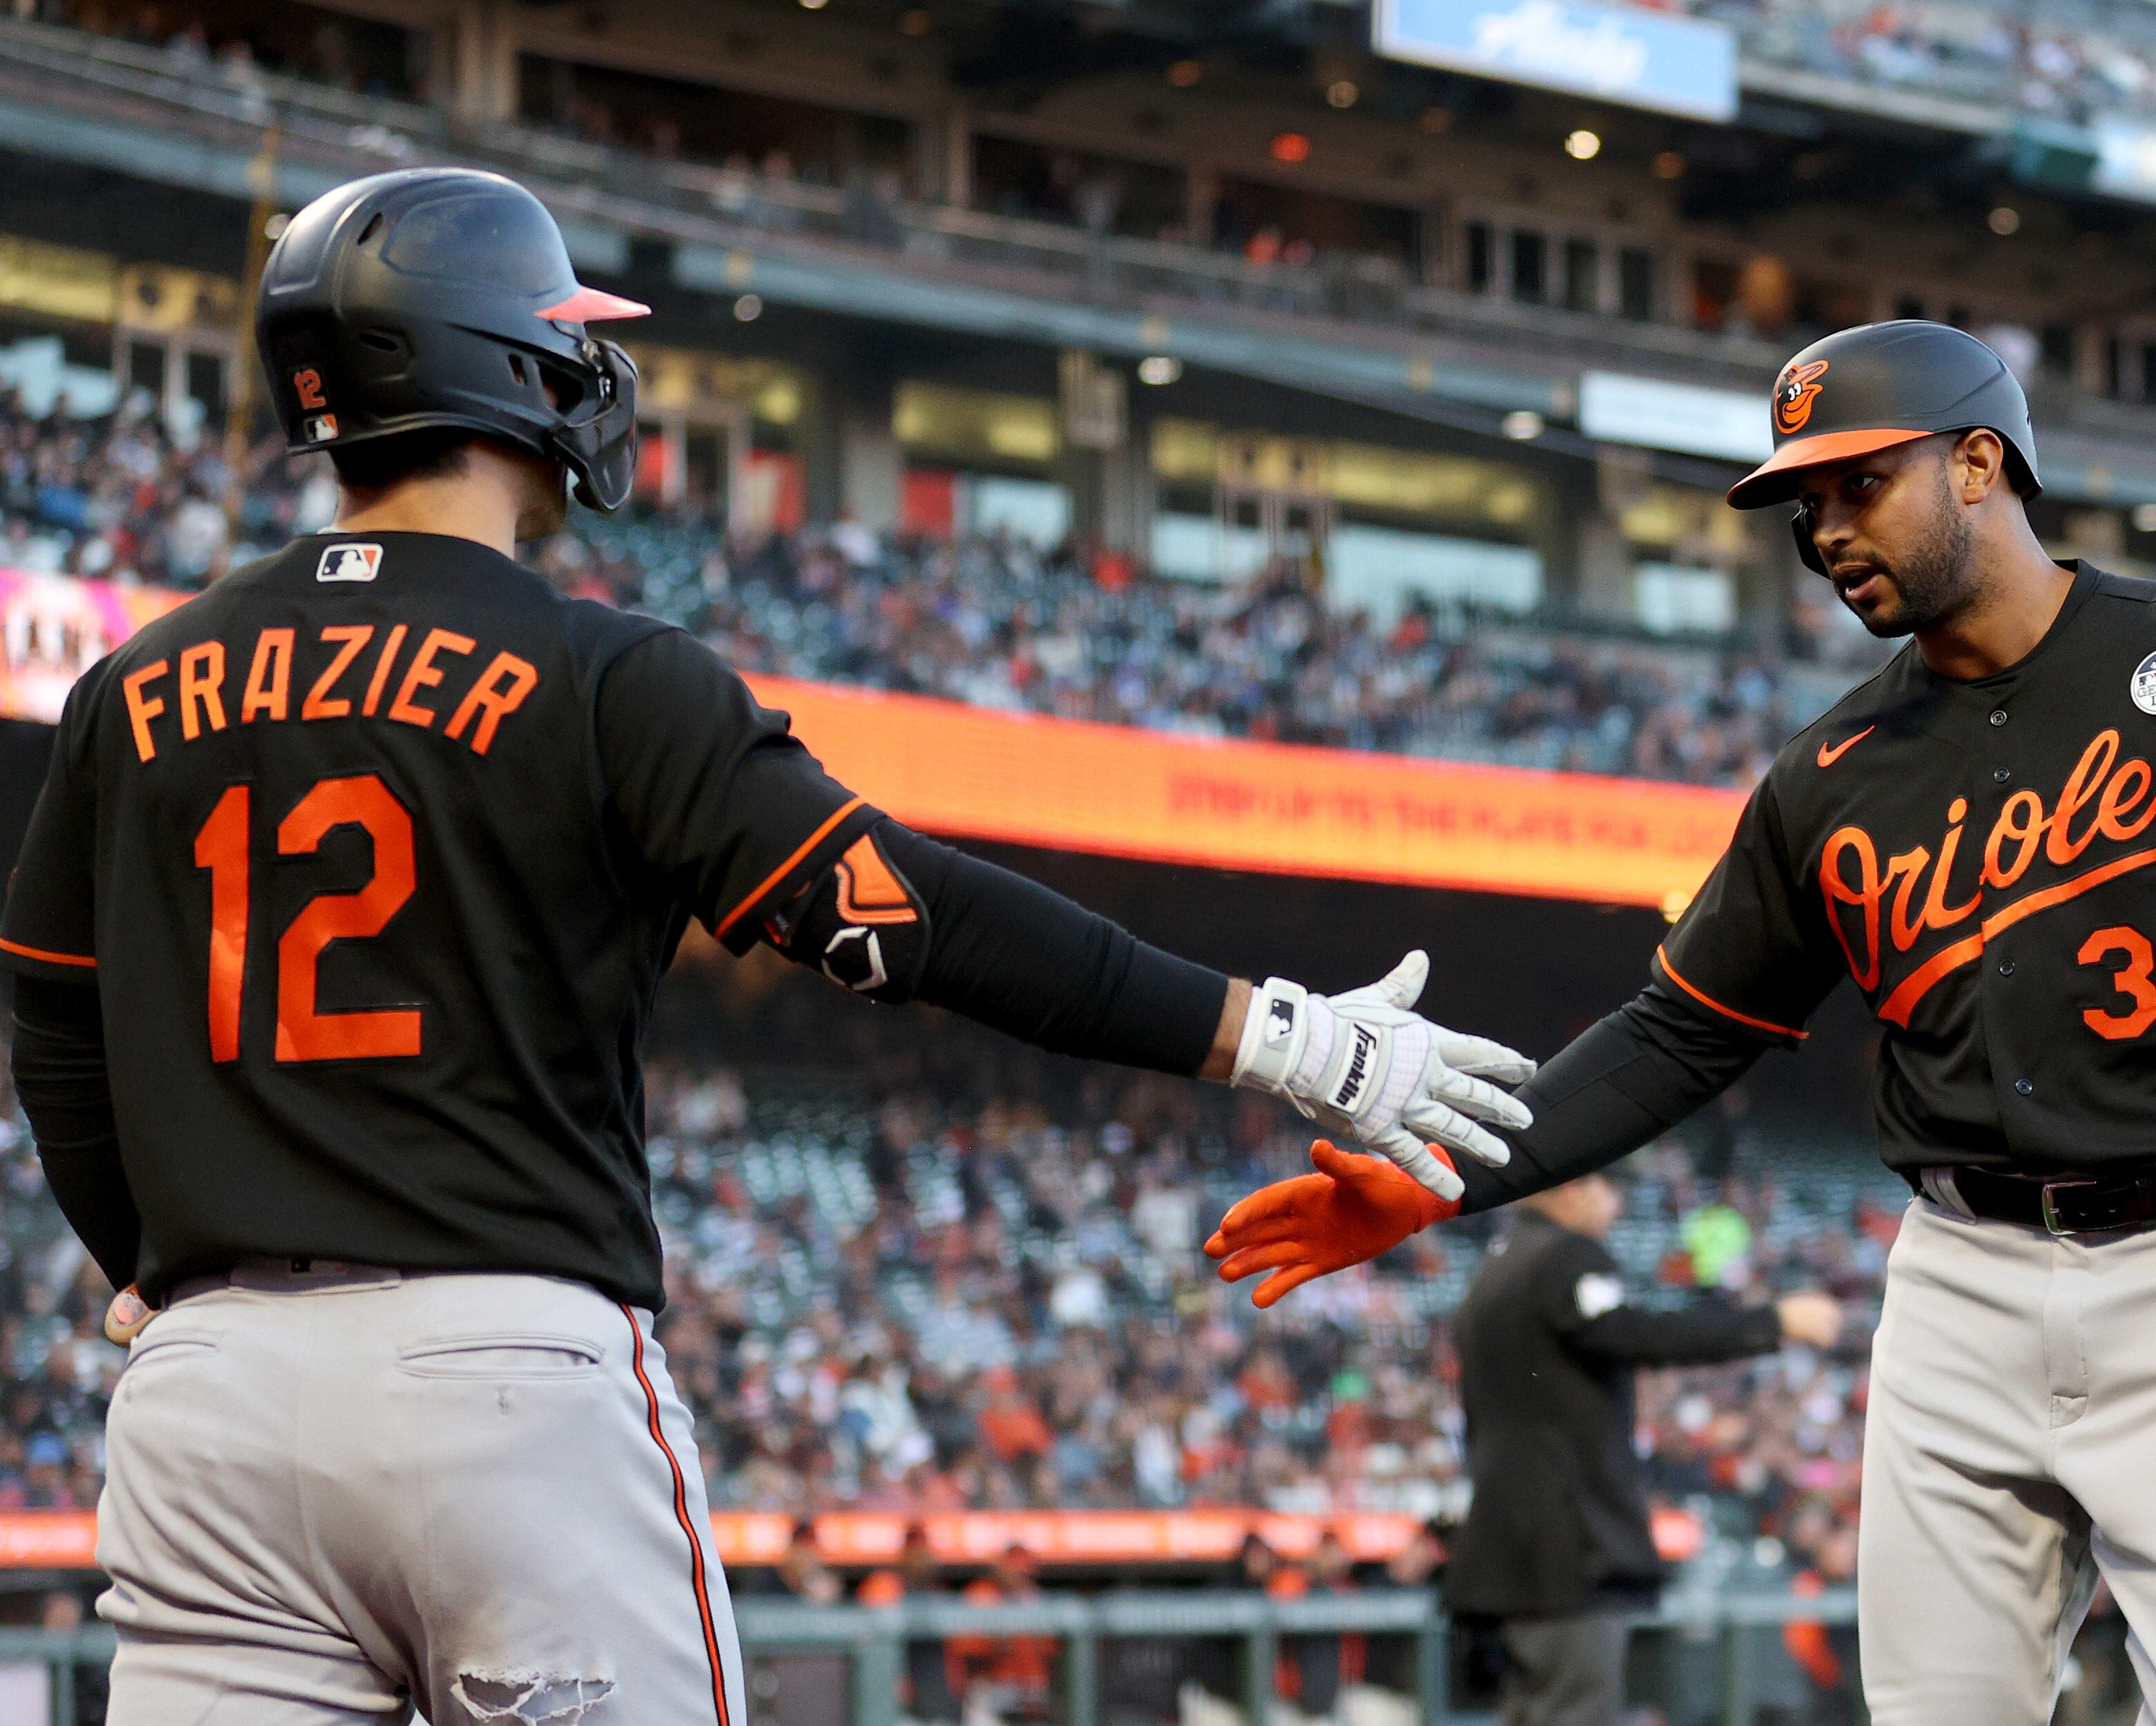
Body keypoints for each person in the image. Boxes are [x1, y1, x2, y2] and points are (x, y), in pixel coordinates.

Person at [0, 166, 1534, 1726]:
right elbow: (914, 916)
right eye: (564, 338)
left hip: (209, 1394)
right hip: (497, 1372)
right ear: (511, 366)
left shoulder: (131, 685)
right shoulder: (603, 671)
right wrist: (1283, 1036)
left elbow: (54, 1031)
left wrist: (147, 1269)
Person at [1207, 320, 2156, 1723]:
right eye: (1806, 504)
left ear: (1979, 463)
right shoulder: (1831, 773)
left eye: (1861, 484)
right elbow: (1678, 1031)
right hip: (1962, 1280)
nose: (1827, 530)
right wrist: (1444, 1174)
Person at [1445, 1172, 1840, 1726]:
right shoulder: (1564, 1255)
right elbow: (1638, 1334)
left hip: (1509, 1547)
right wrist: (1773, 1321)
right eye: (1609, 1189)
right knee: (1576, 1712)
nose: (1616, 1205)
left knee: (1533, 1711)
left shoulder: (1498, 1263)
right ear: (1574, 1189)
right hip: (1567, 1547)